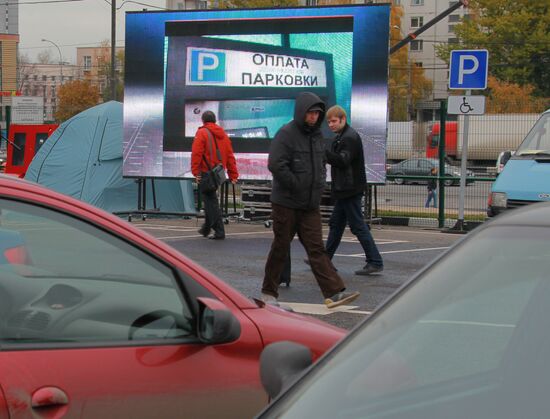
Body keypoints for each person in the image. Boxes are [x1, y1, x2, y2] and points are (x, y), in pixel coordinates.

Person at [261, 92, 360, 309]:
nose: (314, 117)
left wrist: (318, 188)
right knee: (280, 246)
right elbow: (276, 164)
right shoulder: (286, 134)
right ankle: (269, 293)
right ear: (301, 112)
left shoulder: (317, 136)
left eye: (317, 113)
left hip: (309, 205)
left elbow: (321, 165)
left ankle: (334, 292)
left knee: (317, 249)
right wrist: (297, 184)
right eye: (310, 113)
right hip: (286, 203)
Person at [322, 105, 384, 276]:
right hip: (345, 189)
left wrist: (324, 153)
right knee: (336, 224)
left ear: (343, 119)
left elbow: (343, 161)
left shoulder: (349, 137)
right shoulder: (343, 136)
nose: (331, 125)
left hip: (349, 189)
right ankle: (324, 260)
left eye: (334, 121)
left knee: (358, 226)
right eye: (329, 122)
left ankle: (375, 261)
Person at [191, 111, 238, 240]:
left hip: (207, 173)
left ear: (203, 120)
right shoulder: (223, 135)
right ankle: (206, 228)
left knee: (210, 201)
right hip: (218, 173)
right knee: (210, 199)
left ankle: (219, 230)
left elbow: (196, 153)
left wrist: (195, 172)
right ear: (215, 120)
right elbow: (230, 156)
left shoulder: (202, 133)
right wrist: (233, 174)